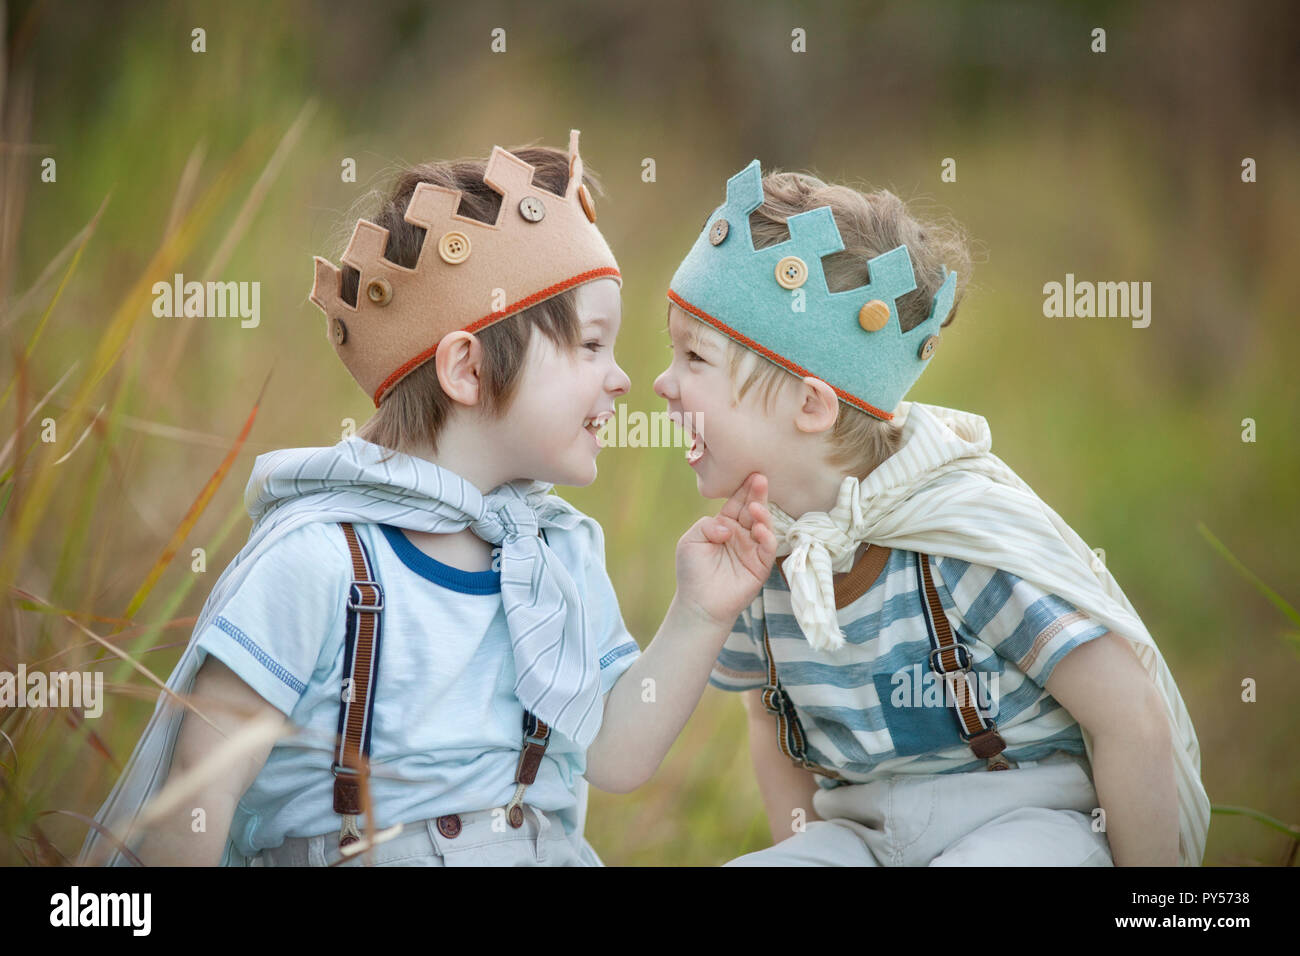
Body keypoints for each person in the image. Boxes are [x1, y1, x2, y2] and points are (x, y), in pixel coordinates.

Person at [79, 131, 776, 867]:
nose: (621, 379)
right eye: (591, 345)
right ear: (468, 369)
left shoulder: (558, 555)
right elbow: (198, 789)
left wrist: (698, 613)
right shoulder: (319, 562)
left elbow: (613, 756)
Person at [652, 160, 1210, 866]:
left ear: (811, 405)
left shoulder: (962, 537)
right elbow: (774, 726)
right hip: (860, 833)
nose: (661, 384)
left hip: (1026, 820)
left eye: (693, 358)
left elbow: (1129, 715)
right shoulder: (758, 553)